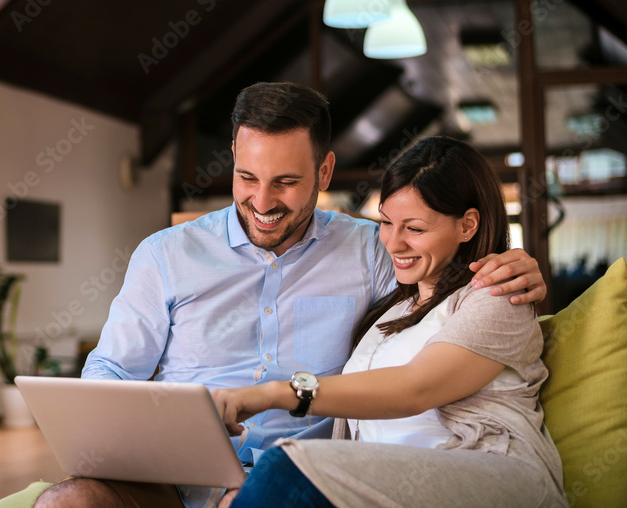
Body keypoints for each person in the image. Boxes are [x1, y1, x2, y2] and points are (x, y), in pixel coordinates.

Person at [34, 82, 546, 508]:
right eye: (247, 177)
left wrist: (512, 263)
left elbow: (445, 294)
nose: (261, 201)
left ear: (324, 172)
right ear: (233, 156)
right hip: (180, 481)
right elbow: (112, 372)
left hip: (302, 479)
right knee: (68, 502)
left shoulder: (371, 249)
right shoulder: (165, 255)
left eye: (285, 182)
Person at [213, 136, 566, 508]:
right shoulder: (395, 308)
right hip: (392, 486)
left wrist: (272, 394)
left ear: (467, 225)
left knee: (285, 467)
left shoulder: (497, 298)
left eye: (414, 229)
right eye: (385, 222)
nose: (393, 244)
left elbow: (415, 388)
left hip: (490, 474)